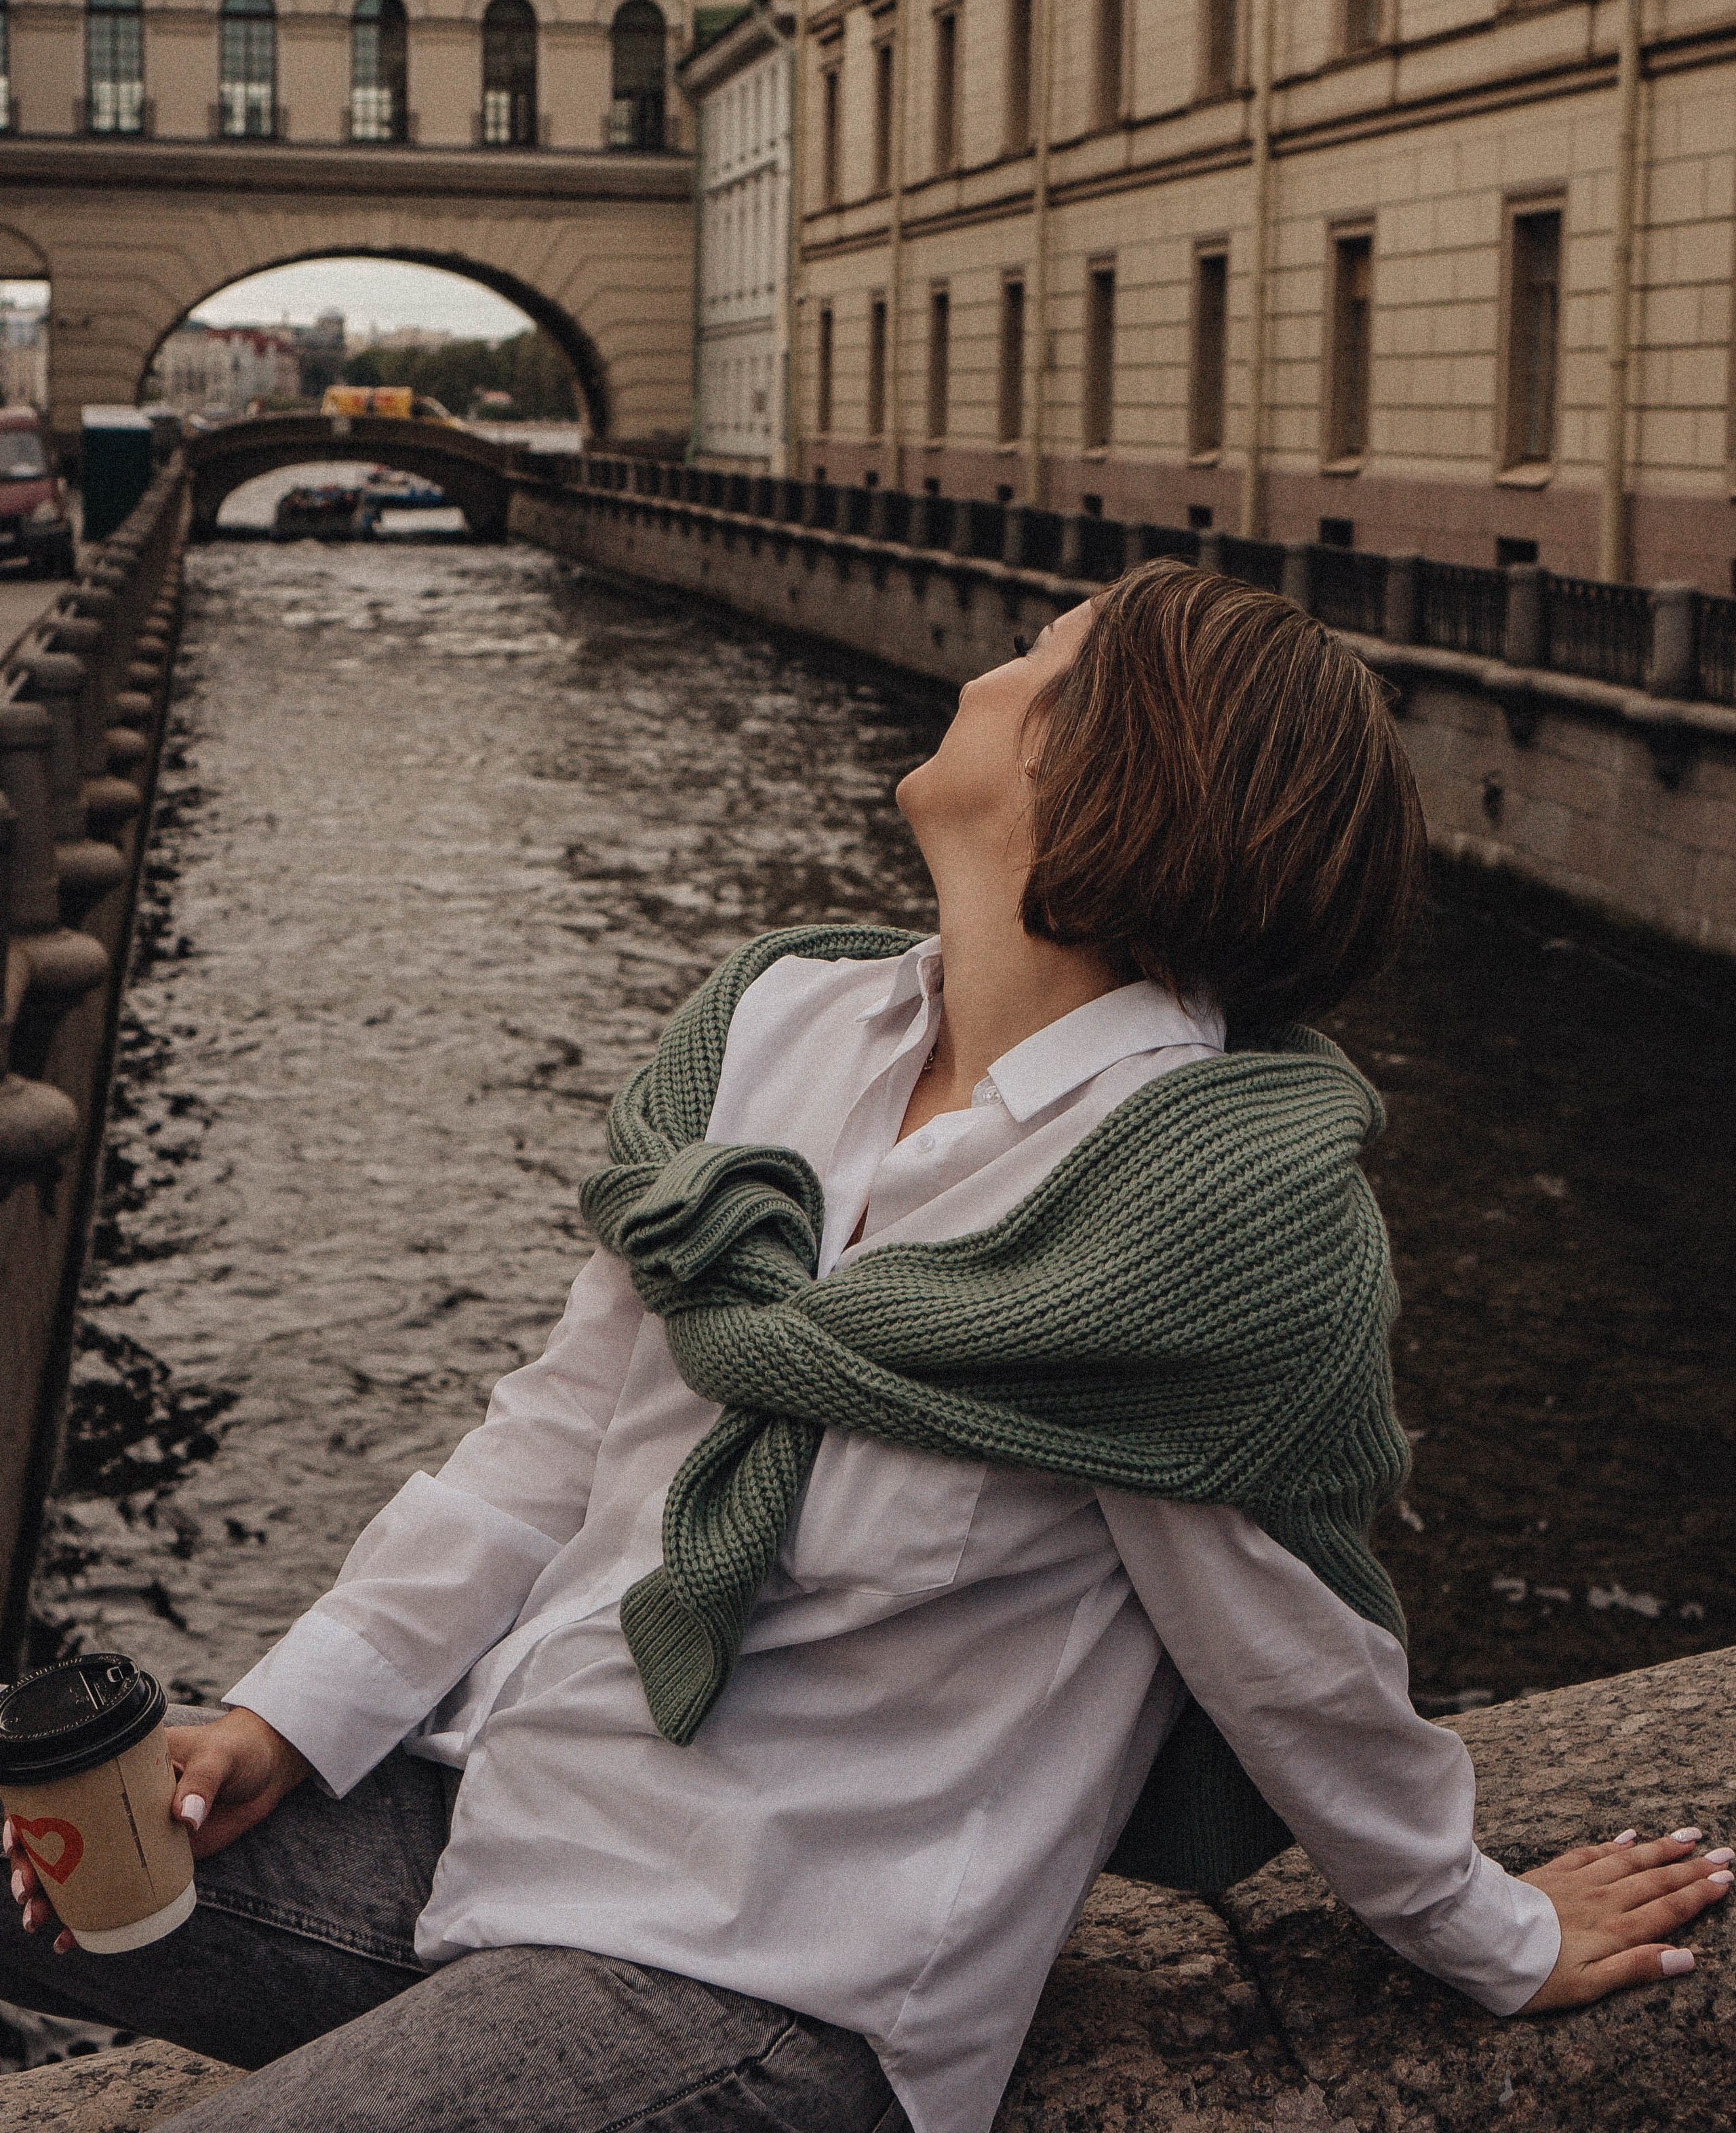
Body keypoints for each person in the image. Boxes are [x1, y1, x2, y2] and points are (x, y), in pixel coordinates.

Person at [7, 563, 1728, 2133]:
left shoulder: (1211, 1214)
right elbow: (546, 1440)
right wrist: (283, 1718)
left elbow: (1292, 1653)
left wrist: (1484, 1931)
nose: (988, 668)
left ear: (1110, 760)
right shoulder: (779, 1023)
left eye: (1040, 654)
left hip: (774, 1981)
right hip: (495, 1822)